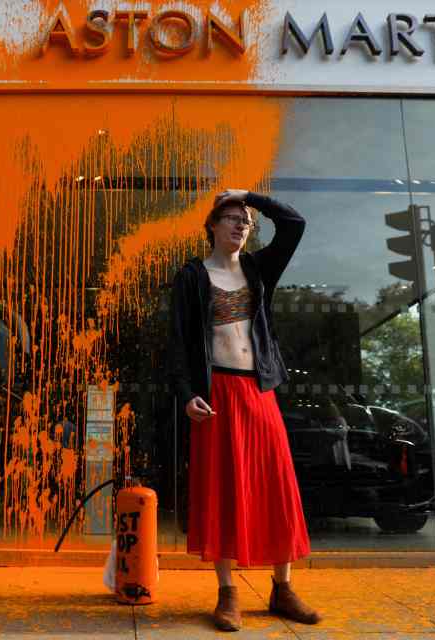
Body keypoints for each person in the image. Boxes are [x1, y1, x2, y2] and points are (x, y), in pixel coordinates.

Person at [168, 189, 319, 631]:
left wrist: (250, 196)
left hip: (259, 389)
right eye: (231, 218)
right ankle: (227, 593)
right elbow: (178, 343)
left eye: (245, 221)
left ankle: (282, 589)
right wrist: (185, 394)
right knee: (222, 490)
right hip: (217, 393)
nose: (240, 225)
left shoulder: (257, 269)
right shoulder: (192, 276)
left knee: (276, 485)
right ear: (211, 226)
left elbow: (293, 225)